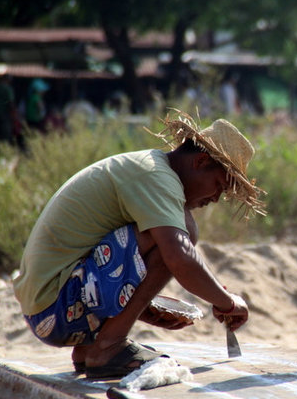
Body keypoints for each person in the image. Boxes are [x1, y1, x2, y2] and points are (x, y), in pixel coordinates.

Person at [13, 110, 265, 379]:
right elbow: (180, 258)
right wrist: (227, 303)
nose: (215, 198)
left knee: (174, 230)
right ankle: (108, 346)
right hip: (58, 307)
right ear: (201, 161)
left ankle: (89, 348)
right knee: (182, 233)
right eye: (218, 186)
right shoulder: (156, 177)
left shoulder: (149, 168)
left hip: (49, 309)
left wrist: (143, 304)